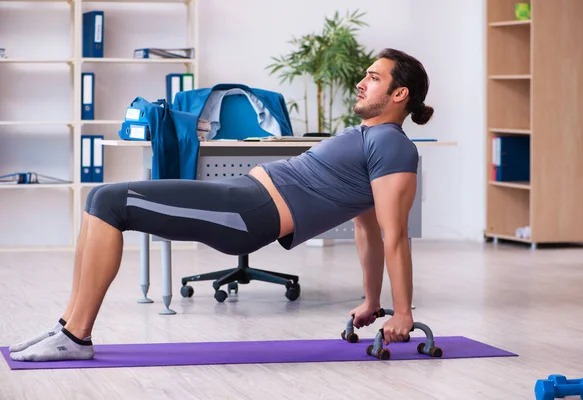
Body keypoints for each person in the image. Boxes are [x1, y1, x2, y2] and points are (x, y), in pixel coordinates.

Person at [9, 48, 434, 362]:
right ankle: (67, 326)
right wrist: (370, 300)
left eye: (374, 77)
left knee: (109, 201)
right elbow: (363, 226)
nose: (362, 81)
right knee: (98, 198)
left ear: (400, 93)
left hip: (249, 213)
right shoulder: (368, 137)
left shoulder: (393, 148)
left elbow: (391, 233)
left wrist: (400, 311)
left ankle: (77, 336)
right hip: (243, 196)